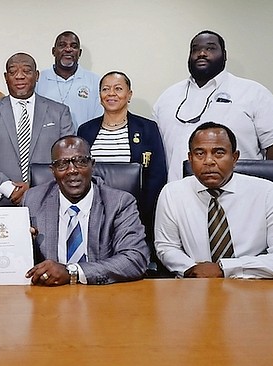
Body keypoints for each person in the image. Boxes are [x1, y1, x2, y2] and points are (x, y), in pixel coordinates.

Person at [154, 122, 273, 279]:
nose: (208, 161)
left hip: (255, 287)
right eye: (200, 153)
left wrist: (226, 269)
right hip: (195, 287)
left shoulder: (267, 192)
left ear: (235, 158)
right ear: (190, 158)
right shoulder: (173, 193)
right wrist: (191, 269)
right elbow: (167, 247)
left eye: (218, 153)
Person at [153, 30, 273, 182]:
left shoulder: (253, 92)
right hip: (179, 196)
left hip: (240, 194)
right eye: (195, 49)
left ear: (224, 55)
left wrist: (269, 190)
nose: (202, 53)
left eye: (210, 48)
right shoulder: (167, 97)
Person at [23, 136, 149, 286]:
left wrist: (72, 272)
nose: (72, 170)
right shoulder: (33, 200)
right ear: (53, 171)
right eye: (62, 164)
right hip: (49, 295)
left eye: (80, 161)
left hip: (102, 295)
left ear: (92, 165)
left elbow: (135, 258)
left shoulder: (119, 203)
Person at [77, 71, 167, 267]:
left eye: (118, 89)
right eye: (105, 89)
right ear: (99, 96)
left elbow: (156, 176)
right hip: (92, 214)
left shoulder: (147, 128)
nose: (111, 94)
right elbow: (79, 173)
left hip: (134, 215)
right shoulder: (85, 130)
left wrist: (141, 214)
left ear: (129, 95)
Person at [0, 52, 74, 206]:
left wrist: (34, 188)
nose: (20, 76)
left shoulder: (59, 112)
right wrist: (8, 188)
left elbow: (68, 158)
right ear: (6, 77)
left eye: (26, 71)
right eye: (13, 72)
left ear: (37, 75)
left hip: (49, 199)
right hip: (0, 201)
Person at [35, 31, 102, 129]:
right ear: (53, 51)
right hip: (47, 143)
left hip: (83, 141)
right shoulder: (39, 79)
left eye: (74, 46)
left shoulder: (94, 81)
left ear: (79, 53)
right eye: (62, 45)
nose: (68, 49)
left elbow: (99, 119)